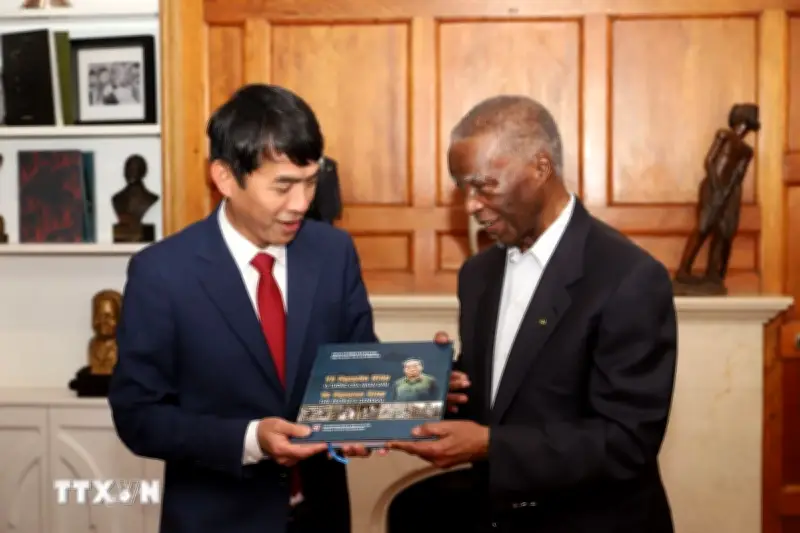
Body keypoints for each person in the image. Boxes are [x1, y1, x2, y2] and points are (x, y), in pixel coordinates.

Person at [389, 95, 678, 533]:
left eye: (483, 185)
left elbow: (626, 441)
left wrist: (490, 445)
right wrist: (442, 389)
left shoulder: (628, 277)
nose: (470, 206)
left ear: (540, 168)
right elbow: (505, 397)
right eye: (463, 188)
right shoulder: (478, 274)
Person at [108, 84, 377, 533]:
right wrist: (251, 439)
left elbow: (358, 364)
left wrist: (410, 389)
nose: (301, 204)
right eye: (283, 186)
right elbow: (138, 416)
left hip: (321, 516)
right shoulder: (162, 273)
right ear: (226, 178)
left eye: (311, 181)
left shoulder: (334, 252)